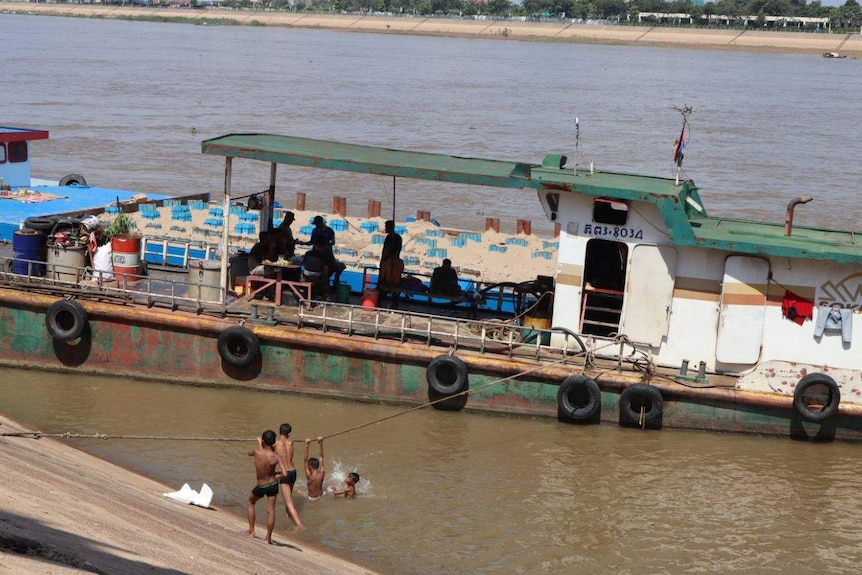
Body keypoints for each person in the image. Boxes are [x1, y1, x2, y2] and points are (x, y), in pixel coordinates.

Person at [246, 430, 281, 544]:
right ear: (274, 443)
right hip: (273, 484)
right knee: (270, 510)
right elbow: (284, 473)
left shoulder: (257, 452)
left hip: (261, 485)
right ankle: (268, 538)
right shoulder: (276, 456)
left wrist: (259, 443)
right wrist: (275, 475)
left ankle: (251, 531)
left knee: (251, 502)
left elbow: (249, 453)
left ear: (263, 441)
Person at [274, 423, 303, 529]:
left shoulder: (276, 444)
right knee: (288, 498)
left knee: (289, 502)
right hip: (293, 472)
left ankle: (300, 525)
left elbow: (266, 451)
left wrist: (261, 442)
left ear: (279, 431)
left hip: (284, 473)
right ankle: (288, 519)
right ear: (289, 433)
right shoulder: (291, 442)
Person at [302, 215, 345, 287]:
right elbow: (311, 242)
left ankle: (335, 283)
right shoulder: (315, 230)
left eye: (317, 224)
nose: (316, 226)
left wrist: (326, 245)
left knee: (338, 266)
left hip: (327, 253)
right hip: (317, 255)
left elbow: (333, 242)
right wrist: (303, 243)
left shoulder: (329, 231)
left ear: (321, 223)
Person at [379, 220, 404, 307]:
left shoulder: (393, 238)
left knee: (384, 282)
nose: (385, 229)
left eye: (387, 227)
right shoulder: (391, 237)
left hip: (388, 263)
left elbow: (387, 250)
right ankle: (392, 303)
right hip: (389, 261)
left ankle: (380, 301)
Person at [304, 436, 326, 501]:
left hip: (312, 498)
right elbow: (321, 457)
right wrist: (321, 443)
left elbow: (305, 460)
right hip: (322, 495)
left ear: (310, 466)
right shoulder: (322, 473)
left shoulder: (309, 475)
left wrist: (307, 446)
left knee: (296, 489)